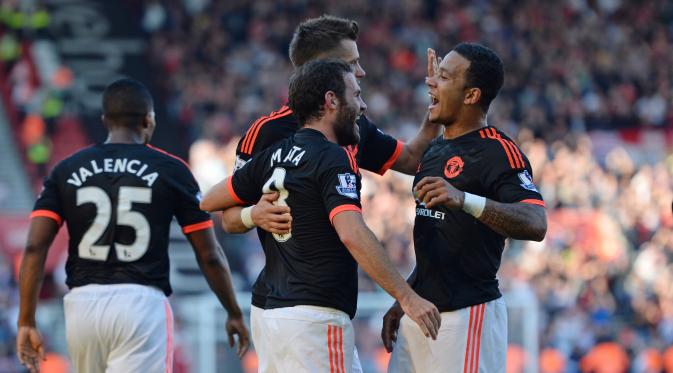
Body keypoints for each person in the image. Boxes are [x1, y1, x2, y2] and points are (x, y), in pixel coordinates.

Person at [201, 15, 441, 372]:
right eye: (350, 63)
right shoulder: (269, 133)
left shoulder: (350, 127)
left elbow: (411, 157)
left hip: (292, 311)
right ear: (325, 79)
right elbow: (229, 216)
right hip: (308, 309)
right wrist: (254, 214)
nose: (360, 72)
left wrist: (435, 107)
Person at [16, 79, 249, 373]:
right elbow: (209, 254)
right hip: (141, 303)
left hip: (82, 306)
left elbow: (35, 246)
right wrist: (233, 312)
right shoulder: (172, 169)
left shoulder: (66, 169)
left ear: (105, 120)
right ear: (148, 120)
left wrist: (26, 320)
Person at [380, 43, 548, 372]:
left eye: (443, 77)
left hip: (466, 317)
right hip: (421, 312)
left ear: (471, 95)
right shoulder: (435, 149)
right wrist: (406, 297)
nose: (431, 83)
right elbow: (444, 240)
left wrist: (465, 200)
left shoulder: (499, 151)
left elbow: (536, 222)